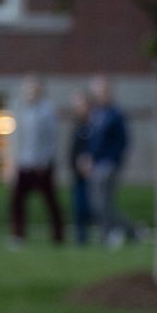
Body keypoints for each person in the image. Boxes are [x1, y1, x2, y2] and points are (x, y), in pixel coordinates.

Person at [8, 77, 64, 245]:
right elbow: (17, 139)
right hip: (24, 164)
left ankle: (58, 236)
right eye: (26, 89)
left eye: (32, 89)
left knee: (50, 201)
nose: (29, 93)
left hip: (42, 165)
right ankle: (18, 235)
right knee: (17, 200)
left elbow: (51, 139)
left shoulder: (47, 111)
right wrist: (14, 161)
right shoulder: (20, 109)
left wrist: (46, 161)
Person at [87, 75, 136, 245]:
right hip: (95, 164)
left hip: (108, 164)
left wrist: (113, 160)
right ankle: (130, 230)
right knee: (96, 204)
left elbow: (123, 141)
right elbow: (92, 139)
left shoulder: (116, 114)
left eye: (103, 91)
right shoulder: (95, 113)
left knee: (105, 203)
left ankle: (108, 235)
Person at [68, 89, 93, 245]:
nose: (77, 108)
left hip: (88, 173)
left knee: (90, 205)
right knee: (78, 206)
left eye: (80, 104)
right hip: (76, 173)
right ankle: (80, 237)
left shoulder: (92, 125)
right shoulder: (77, 124)